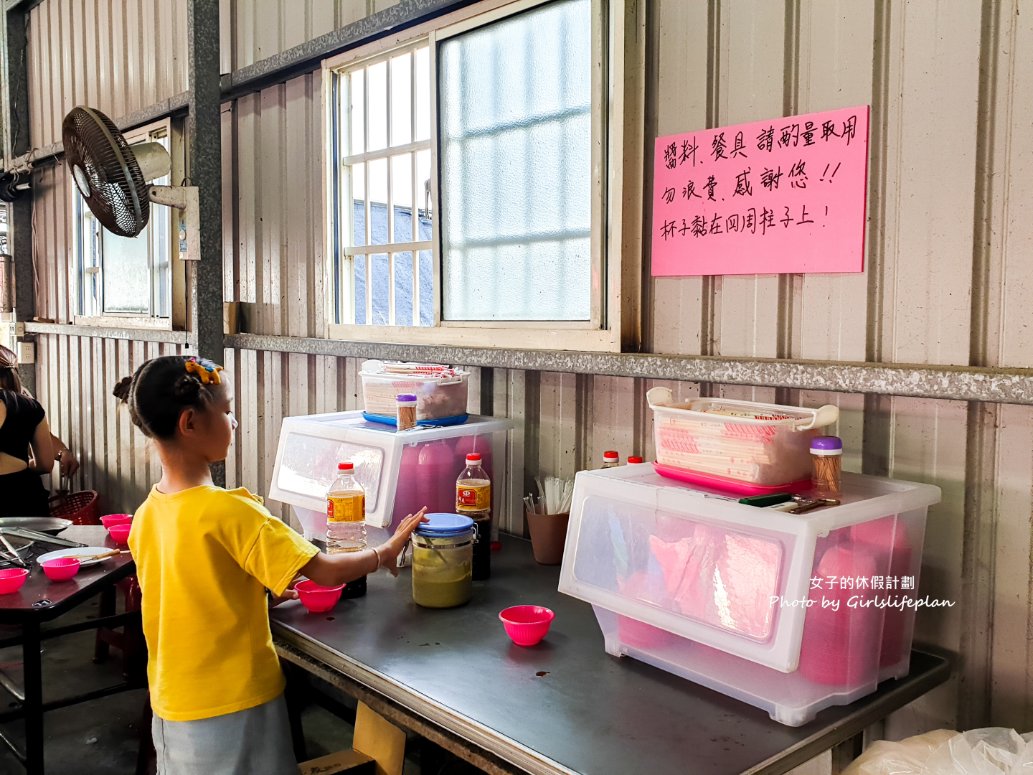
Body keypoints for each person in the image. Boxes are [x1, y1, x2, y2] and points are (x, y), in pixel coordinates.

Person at [112, 354, 427, 775]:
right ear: (189, 423)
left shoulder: (149, 512)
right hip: (235, 705)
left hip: (172, 704)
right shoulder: (231, 511)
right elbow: (327, 571)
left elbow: (186, 598)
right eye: (225, 412)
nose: (234, 422)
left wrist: (252, 598)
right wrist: (384, 554)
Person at [0, 344, 80, 478]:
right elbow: (44, 463)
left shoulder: (23, 399)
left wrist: (62, 451)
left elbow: (39, 433)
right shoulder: (25, 403)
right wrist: (22, 465)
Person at [0, 345, 54, 516]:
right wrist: (25, 463)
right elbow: (46, 464)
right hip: (22, 499)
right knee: (32, 543)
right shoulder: (28, 405)